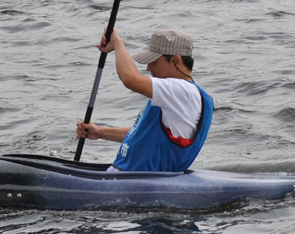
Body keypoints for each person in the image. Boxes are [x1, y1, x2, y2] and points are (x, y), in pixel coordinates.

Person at [76, 28, 214, 172]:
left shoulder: (184, 91)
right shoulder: (173, 96)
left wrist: (118, 43)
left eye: (153, 61)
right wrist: (100, 132)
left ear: (176, 60)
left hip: (136, 184)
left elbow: (130, 79)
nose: (148, 68)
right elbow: (145, 135)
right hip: (126, 178)